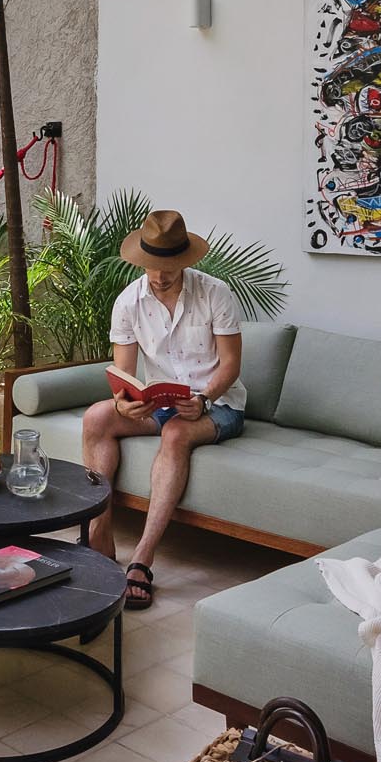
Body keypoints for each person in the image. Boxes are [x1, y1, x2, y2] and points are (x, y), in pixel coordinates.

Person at [81, 208, 244, 609]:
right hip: (160, 402)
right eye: (153, 266)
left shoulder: (215, 294)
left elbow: (231, 366)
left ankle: (142, 559)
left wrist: (203, 398)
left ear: (185, 262)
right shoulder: (128, 303)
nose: (160, 275)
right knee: (97, 417)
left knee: (174, 433)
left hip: (217, 404)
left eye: (169, 266)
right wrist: (126, 401)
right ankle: (100, 536)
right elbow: (125, 375)